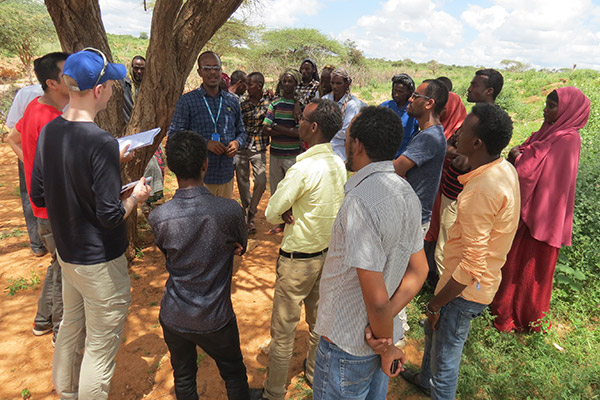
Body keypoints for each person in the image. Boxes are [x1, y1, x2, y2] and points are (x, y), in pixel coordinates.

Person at [29, 48, 151, 399]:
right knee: (99, 346)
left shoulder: (52, 130)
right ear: (98, 91)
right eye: (111, 83)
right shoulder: (99, 142)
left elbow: (39, 196)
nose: (114, 88)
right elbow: (110, 216)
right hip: (99, 262)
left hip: (68, 254)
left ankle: (66, 393)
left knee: (70, 327)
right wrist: (135, 196)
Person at [401, 103, 520, 400]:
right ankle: (424, 380)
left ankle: (435, 386)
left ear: (477, 142)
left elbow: (471, 267)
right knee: (434, 335)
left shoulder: (480, 191)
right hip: (467, 283)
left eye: (464, 130)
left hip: (463, 292)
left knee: (446, 362)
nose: (457, 133)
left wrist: (435, 304)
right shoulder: (502, 168)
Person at [312, 106, 428, 399]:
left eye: (348, 138)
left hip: (348, 343)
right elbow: (420, 270)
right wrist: (386, 327)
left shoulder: (360, 202)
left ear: (358, 145)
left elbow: (376, 301)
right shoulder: (407, 193)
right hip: (377, 338)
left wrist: (385, 343)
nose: (346, 145)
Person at [149, 130, 258, 400]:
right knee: (233, 372)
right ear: (205, 164)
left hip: (174, 314)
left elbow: (168, 253)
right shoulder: (230, 210)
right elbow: (240, 245)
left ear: (171, 168)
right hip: (215, 316)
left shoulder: (159, 216)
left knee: (184, 377)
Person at [261, 99, 346, 400]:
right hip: (326, 256)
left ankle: (273, 392)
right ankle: (313, 375)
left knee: (283, 331)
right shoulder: (338, 163)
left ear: (313, 127)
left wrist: (284, 212)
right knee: (317, 324)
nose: (297, 123)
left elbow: (271, 212)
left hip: (298, 260)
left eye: (301, 120)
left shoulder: (304, 167)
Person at [492, 87, 590, 332]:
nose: (546, 109)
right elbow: (530, 153)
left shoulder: (567, 138)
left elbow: (528, 168)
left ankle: (524, 318)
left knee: (529, 268)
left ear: (568, 110)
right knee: (513, 263)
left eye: (552, 106)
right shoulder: (550, 132)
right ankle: (504, 313)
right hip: (530, 209)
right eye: (546, 104)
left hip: (542, 214)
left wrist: (519, 154)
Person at [7, 52, 70, 343]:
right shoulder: (54, 121)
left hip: (42, 205)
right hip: (55, 209)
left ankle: (43, 320)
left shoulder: (34, 105)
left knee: (57, 263)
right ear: (52, 83)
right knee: (65, 272)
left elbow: (12, 139)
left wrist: (30, 164)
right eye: (67, 73)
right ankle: (60, 330)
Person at [169, 51, 246, 198]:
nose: (212, 72)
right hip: (198, 178)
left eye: (216, 68)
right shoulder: (187, 101)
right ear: (199, 72)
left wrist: (237, 143)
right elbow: (175, 136)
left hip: (226, 174)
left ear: (221, 70)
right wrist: (204, 144)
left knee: (223, 218)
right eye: (207, 68)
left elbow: (241, 131)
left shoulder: (232, 101)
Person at [424, 76, 467, 283]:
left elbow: (458, 156)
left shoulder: (460, 128)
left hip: (451, 190)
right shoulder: (436, 127)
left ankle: (436, 277)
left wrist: (446, 150)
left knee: (444, 236)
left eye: (445, 109)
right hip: (439, 186)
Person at [393, 79, 448, 234]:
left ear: (429, 103)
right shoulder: (427, 133)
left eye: (416, 96)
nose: (410, 99)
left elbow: (396, 169)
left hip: (413, 220)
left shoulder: (429, 137)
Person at [6, 83, 46, 257]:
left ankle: (37, 243)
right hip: (39, 153)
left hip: (26, 150)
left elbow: (12, 125)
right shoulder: (65, 93)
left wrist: (27, 160)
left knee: (29, 194)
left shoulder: (25, 92)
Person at [122, 55, 164, 208]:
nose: (139, 71)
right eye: (136, 68)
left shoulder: (152, 87)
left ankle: (152, 202)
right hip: (133, 136)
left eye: (142, 68)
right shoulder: (126, 86)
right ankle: (142, 204)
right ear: (131, 68)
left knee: (158, 167)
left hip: (151, 134)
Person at [263, 68, 301, 234]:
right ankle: (279, 221)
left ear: (295, 84)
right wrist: (288, 130)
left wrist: (276, 127)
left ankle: (291, 218)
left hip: (293, 154)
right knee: (277, 188)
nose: (287, 84)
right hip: (276, 153)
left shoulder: (299, 107)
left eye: (290, 81)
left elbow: (299, 132)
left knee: (292, 189)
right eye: (284, 81)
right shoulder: (275, 104)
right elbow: (265, 128)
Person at [236, 72, 270, 234]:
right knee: (242, 182)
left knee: (261, 181)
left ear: (260, 86)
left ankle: (252, 210)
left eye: (250, 85)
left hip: (259, 147)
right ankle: (247, 215)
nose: (247, 88)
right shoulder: (242, 103)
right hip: (242, 148)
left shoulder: (270, 102)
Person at [322, 68, 365, 160]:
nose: (335, 86)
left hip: (340, 152)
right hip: (323, 147)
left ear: (346, 84)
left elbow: (346, 132)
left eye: (338, 83)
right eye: (332, 83)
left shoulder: (351, 104)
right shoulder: (325, 99)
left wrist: (325, 131)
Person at [380, 73, 419, 156]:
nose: (396, 94)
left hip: (404, 157)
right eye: (395, 91)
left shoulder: (414, 110)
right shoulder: (385, 106)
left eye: (400, 92)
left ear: (410, 92)